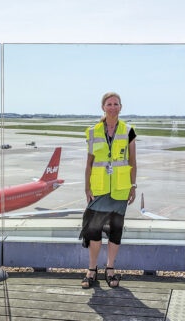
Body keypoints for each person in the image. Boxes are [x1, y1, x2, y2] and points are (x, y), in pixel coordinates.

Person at [80, 92, 137, 289]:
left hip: (121, 190)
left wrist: (133, 186)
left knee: (115, 232)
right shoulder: (93, 131)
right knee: (93, 231)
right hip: (99, 189)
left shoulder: (129, 130)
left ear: (121, 107)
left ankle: (110, 269)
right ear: (103, 107)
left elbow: (132, 161)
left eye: (116, 104)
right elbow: (89, 163)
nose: (112, 107)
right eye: (109, 104)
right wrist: (87, 187)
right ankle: (92, 269)